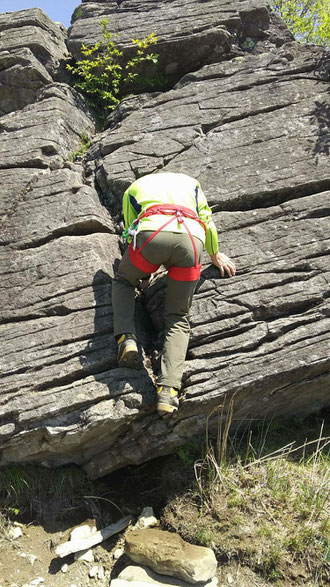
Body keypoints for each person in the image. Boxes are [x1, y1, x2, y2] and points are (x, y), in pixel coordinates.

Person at [112, 172, 236, 416]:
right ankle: (168, 392)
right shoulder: (192, 184)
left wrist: (144, 275)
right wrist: (214, 255)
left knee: (124, 281)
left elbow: (131, 229)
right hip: (191, 240)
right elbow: (207, 222)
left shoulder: (134, 189)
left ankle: (126, 338)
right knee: (178, 317)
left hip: (152, 235)